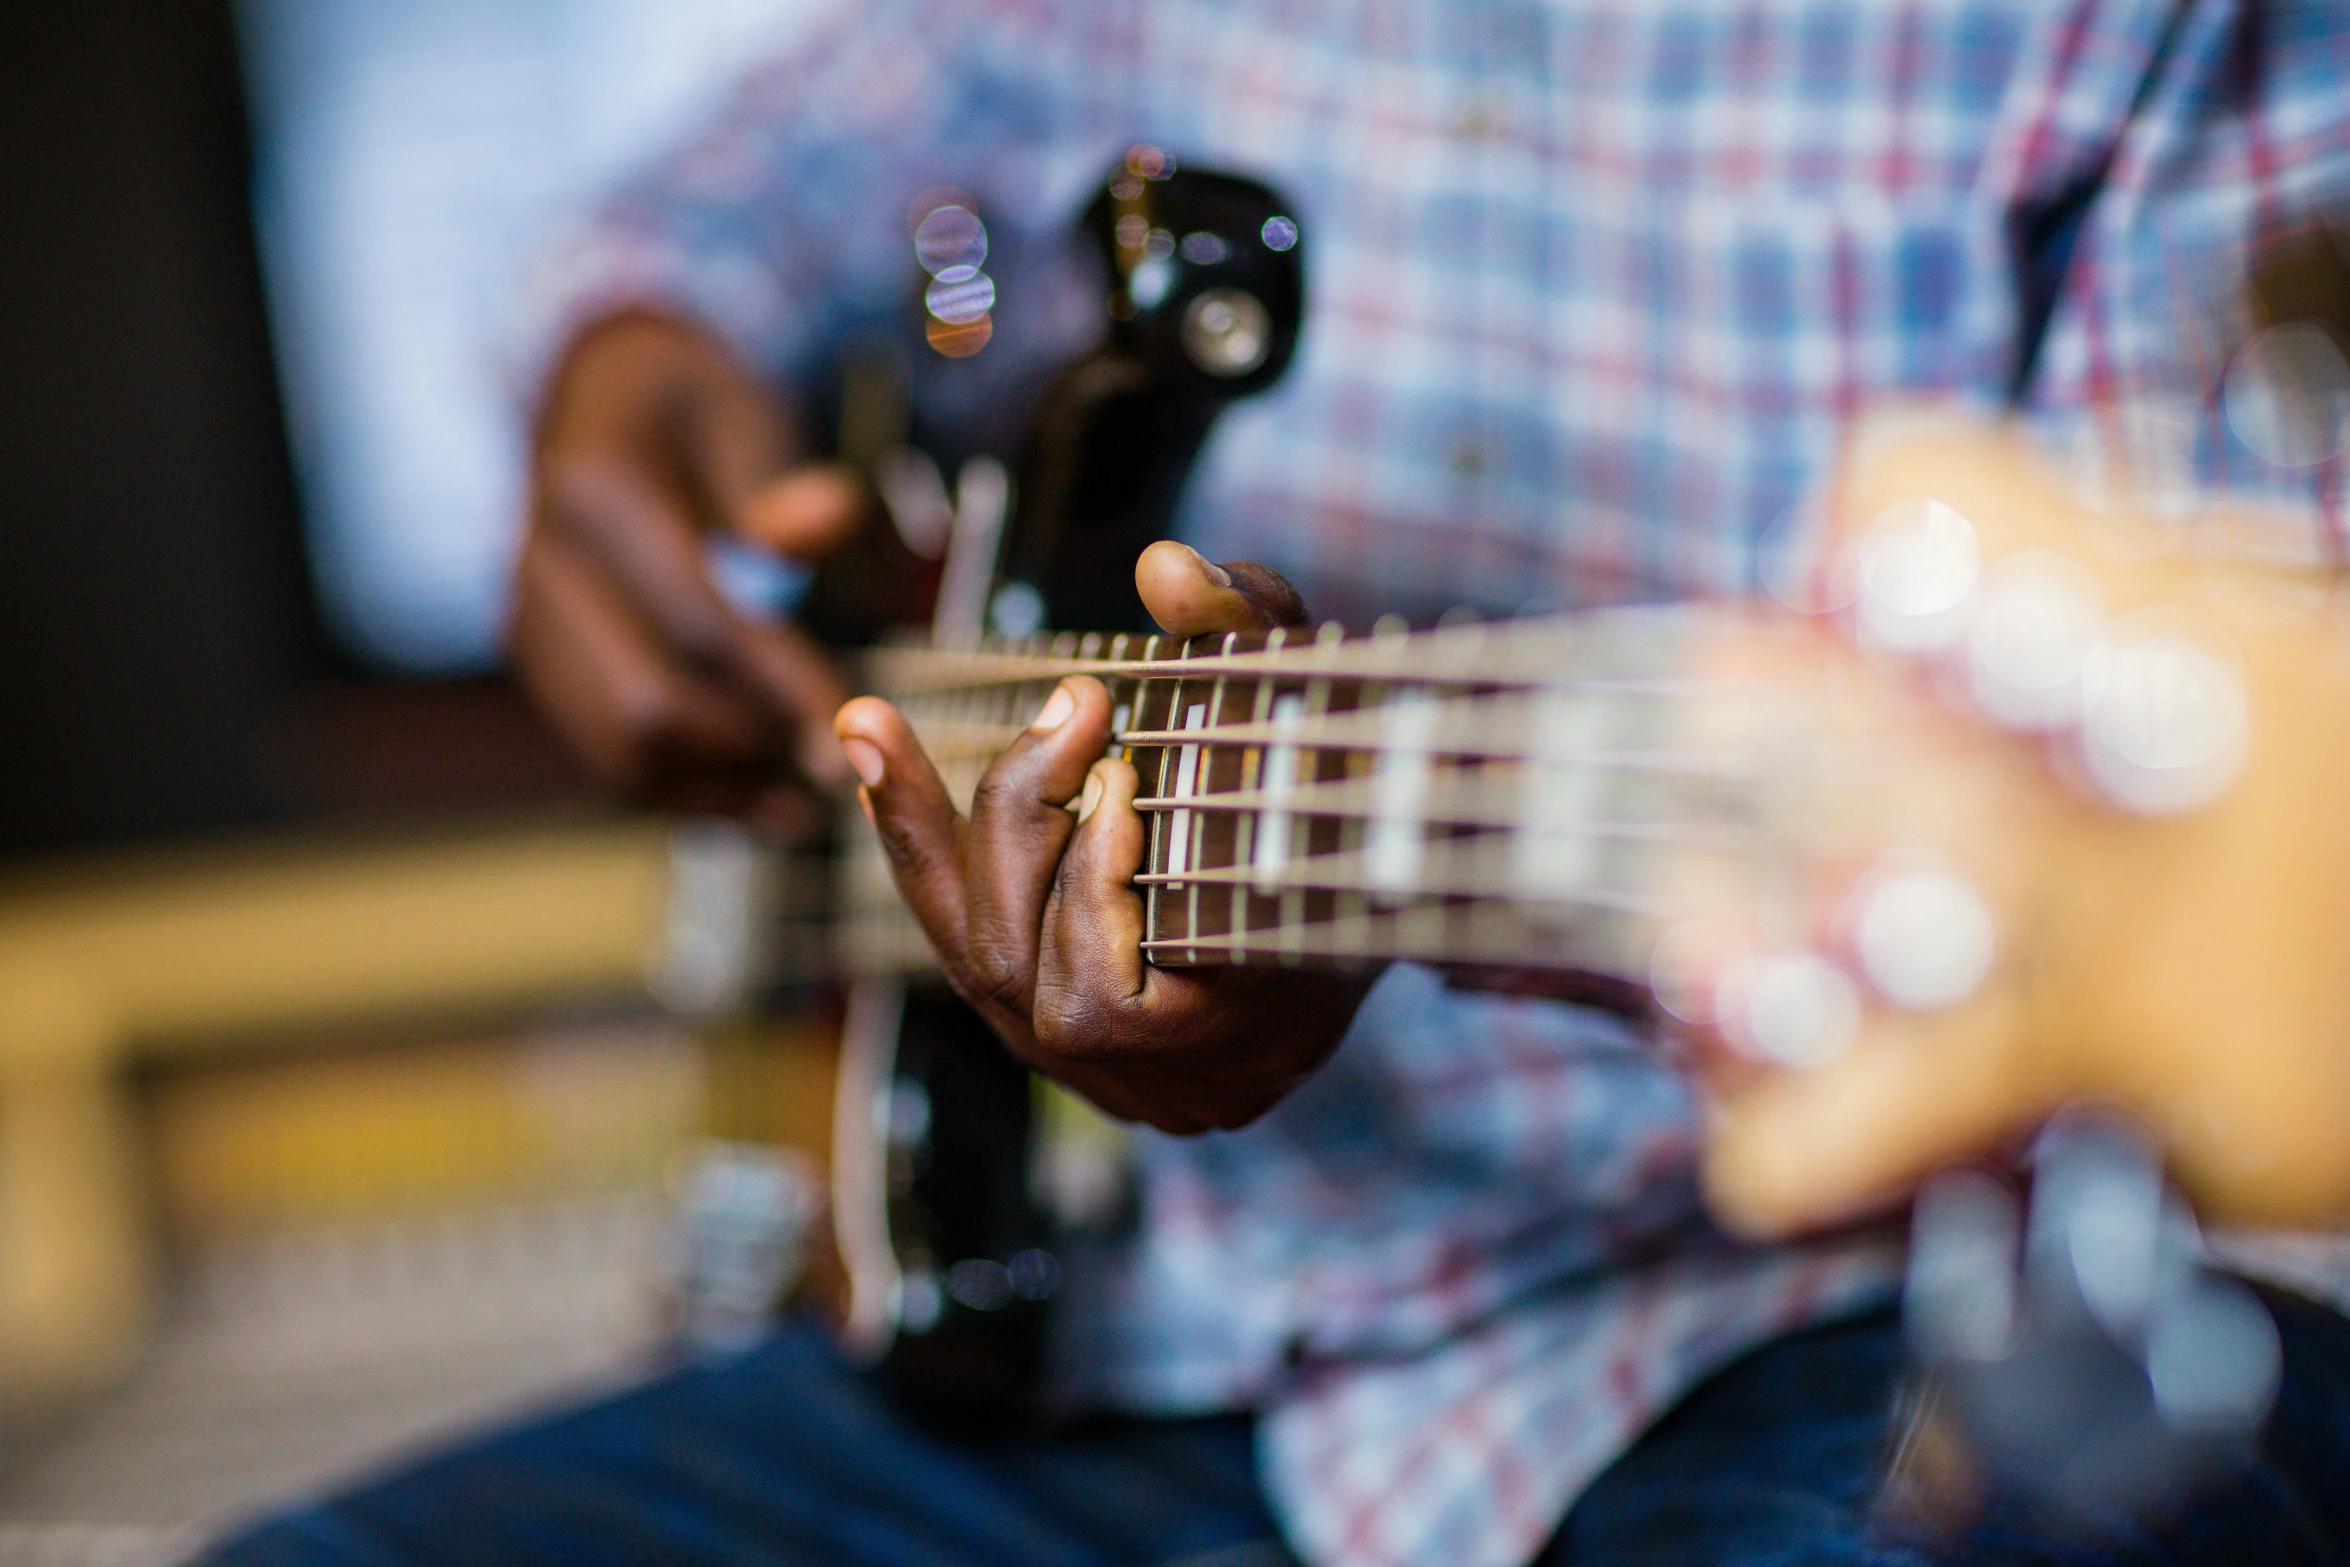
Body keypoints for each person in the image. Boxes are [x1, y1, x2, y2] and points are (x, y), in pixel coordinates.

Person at [205, 3, 2350, 1565]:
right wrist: (630, 355)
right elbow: (847, 119)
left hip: (1866, 1315)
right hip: (1154, 1321)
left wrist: (1362, 877)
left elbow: (2213, 750)